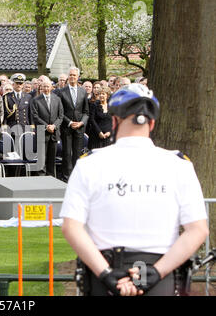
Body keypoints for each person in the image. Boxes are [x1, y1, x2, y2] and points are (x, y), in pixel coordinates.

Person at [60, 83, 209, 296]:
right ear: (152, 123)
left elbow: (71, 227)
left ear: (114, 121)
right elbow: (198, 230)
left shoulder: (89, 164)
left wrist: (105, 273)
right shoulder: (179, 165)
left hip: (104, 275)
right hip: (159, 277)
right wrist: (156, 273)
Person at [54, 66, 89, 182]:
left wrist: (81, 123)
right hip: (66, 128)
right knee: (67, 153)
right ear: (68, 77)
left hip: (79, 128)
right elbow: (59, 112)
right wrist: (69, 122)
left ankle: (76, 178)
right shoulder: (61, 92)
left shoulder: (83, 92)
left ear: (78, 77)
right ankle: (66, 178)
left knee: (77, 154)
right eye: (70, 75)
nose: (72, 77)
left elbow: (86, 112)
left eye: (74, 75)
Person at [30, 78, 63, 177]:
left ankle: (51, 177)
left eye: (48, 86)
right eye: (44, 86)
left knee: (51, 158)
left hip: (54, 132)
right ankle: (41, 178)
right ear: (41, 88)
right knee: (41, 157)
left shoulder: (57, 99)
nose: (46, 88)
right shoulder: (36, 100)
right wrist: (46, 126)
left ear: (52, 87)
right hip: (42, 132)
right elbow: (35, 116)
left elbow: (60, 116)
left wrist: (54, 126)